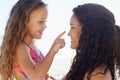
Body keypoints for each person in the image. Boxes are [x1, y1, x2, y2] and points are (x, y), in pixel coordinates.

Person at [0, 0, 65, 80]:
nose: (45, 26)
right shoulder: (20, 47)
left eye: (45, 21)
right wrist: (52, 51)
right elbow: (35, 76)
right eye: (41, 22)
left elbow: (39, 72)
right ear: (24, 21)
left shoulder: (32, 46)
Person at [62, 3, 120, 80]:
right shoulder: (86, 65)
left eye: (73, 27)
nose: (69, 33)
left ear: (88, 32)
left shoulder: (97, 75)